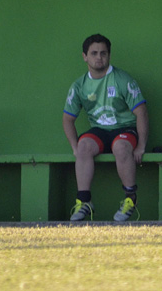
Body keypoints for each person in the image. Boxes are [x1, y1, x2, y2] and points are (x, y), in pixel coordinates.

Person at [63, 34, 149, 221]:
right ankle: (84, 201)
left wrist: (141, 146)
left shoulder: (122, 79)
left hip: (124, 129)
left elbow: (141, 112)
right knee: (83, 146)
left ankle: (130, 199)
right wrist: (74, 148)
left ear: (109, 55)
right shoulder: (79, 85)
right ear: (85, 56)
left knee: (120, 147)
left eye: (103, 53)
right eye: (94, 53)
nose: (99, 57)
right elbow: (67, 119)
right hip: (99, 131)